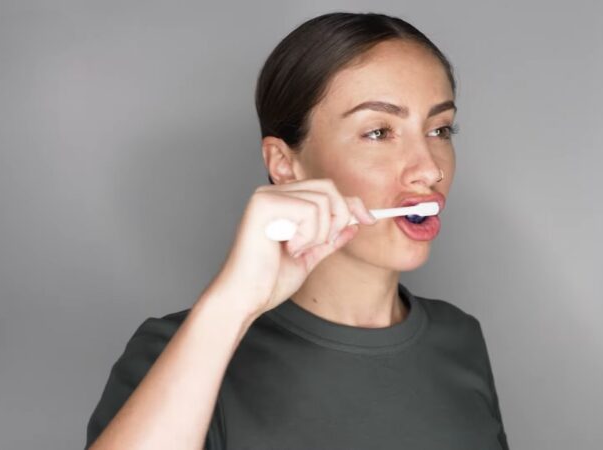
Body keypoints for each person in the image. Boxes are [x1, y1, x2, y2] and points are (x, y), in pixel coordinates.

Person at [85, 11, 509, 450]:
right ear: (284, 165)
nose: (430, 169)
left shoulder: (459, 338)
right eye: (380, 132)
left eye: (440, 129)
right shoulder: (177, 352)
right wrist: (231, 305)